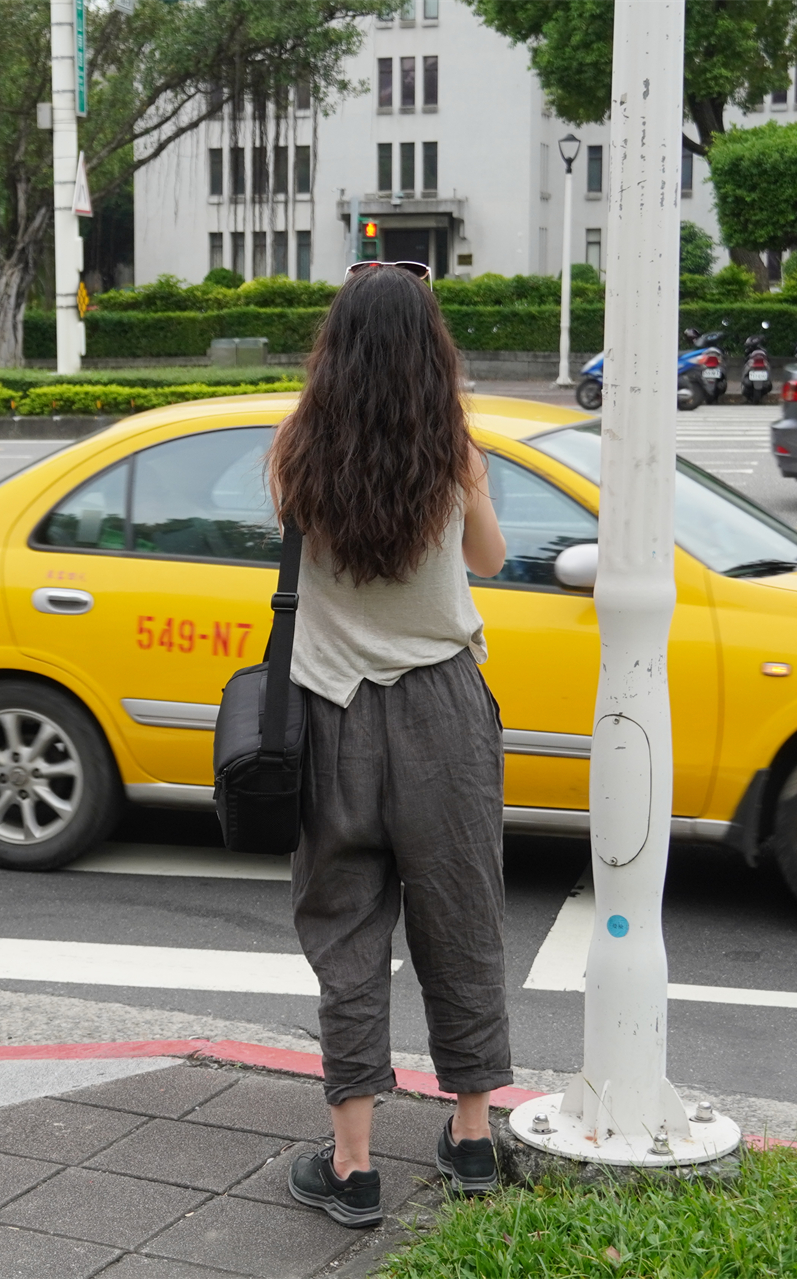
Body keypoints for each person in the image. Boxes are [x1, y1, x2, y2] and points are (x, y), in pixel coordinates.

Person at [269, 260, 511, 1228]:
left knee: (347, 935)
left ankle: (355, 1163)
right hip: (445, 712)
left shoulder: (296, 445)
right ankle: (472, 1135)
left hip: (330, 713)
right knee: (462, 919)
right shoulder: (456, 450)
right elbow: (488, 562)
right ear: (432, 350)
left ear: (335, 345)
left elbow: (294, 543)